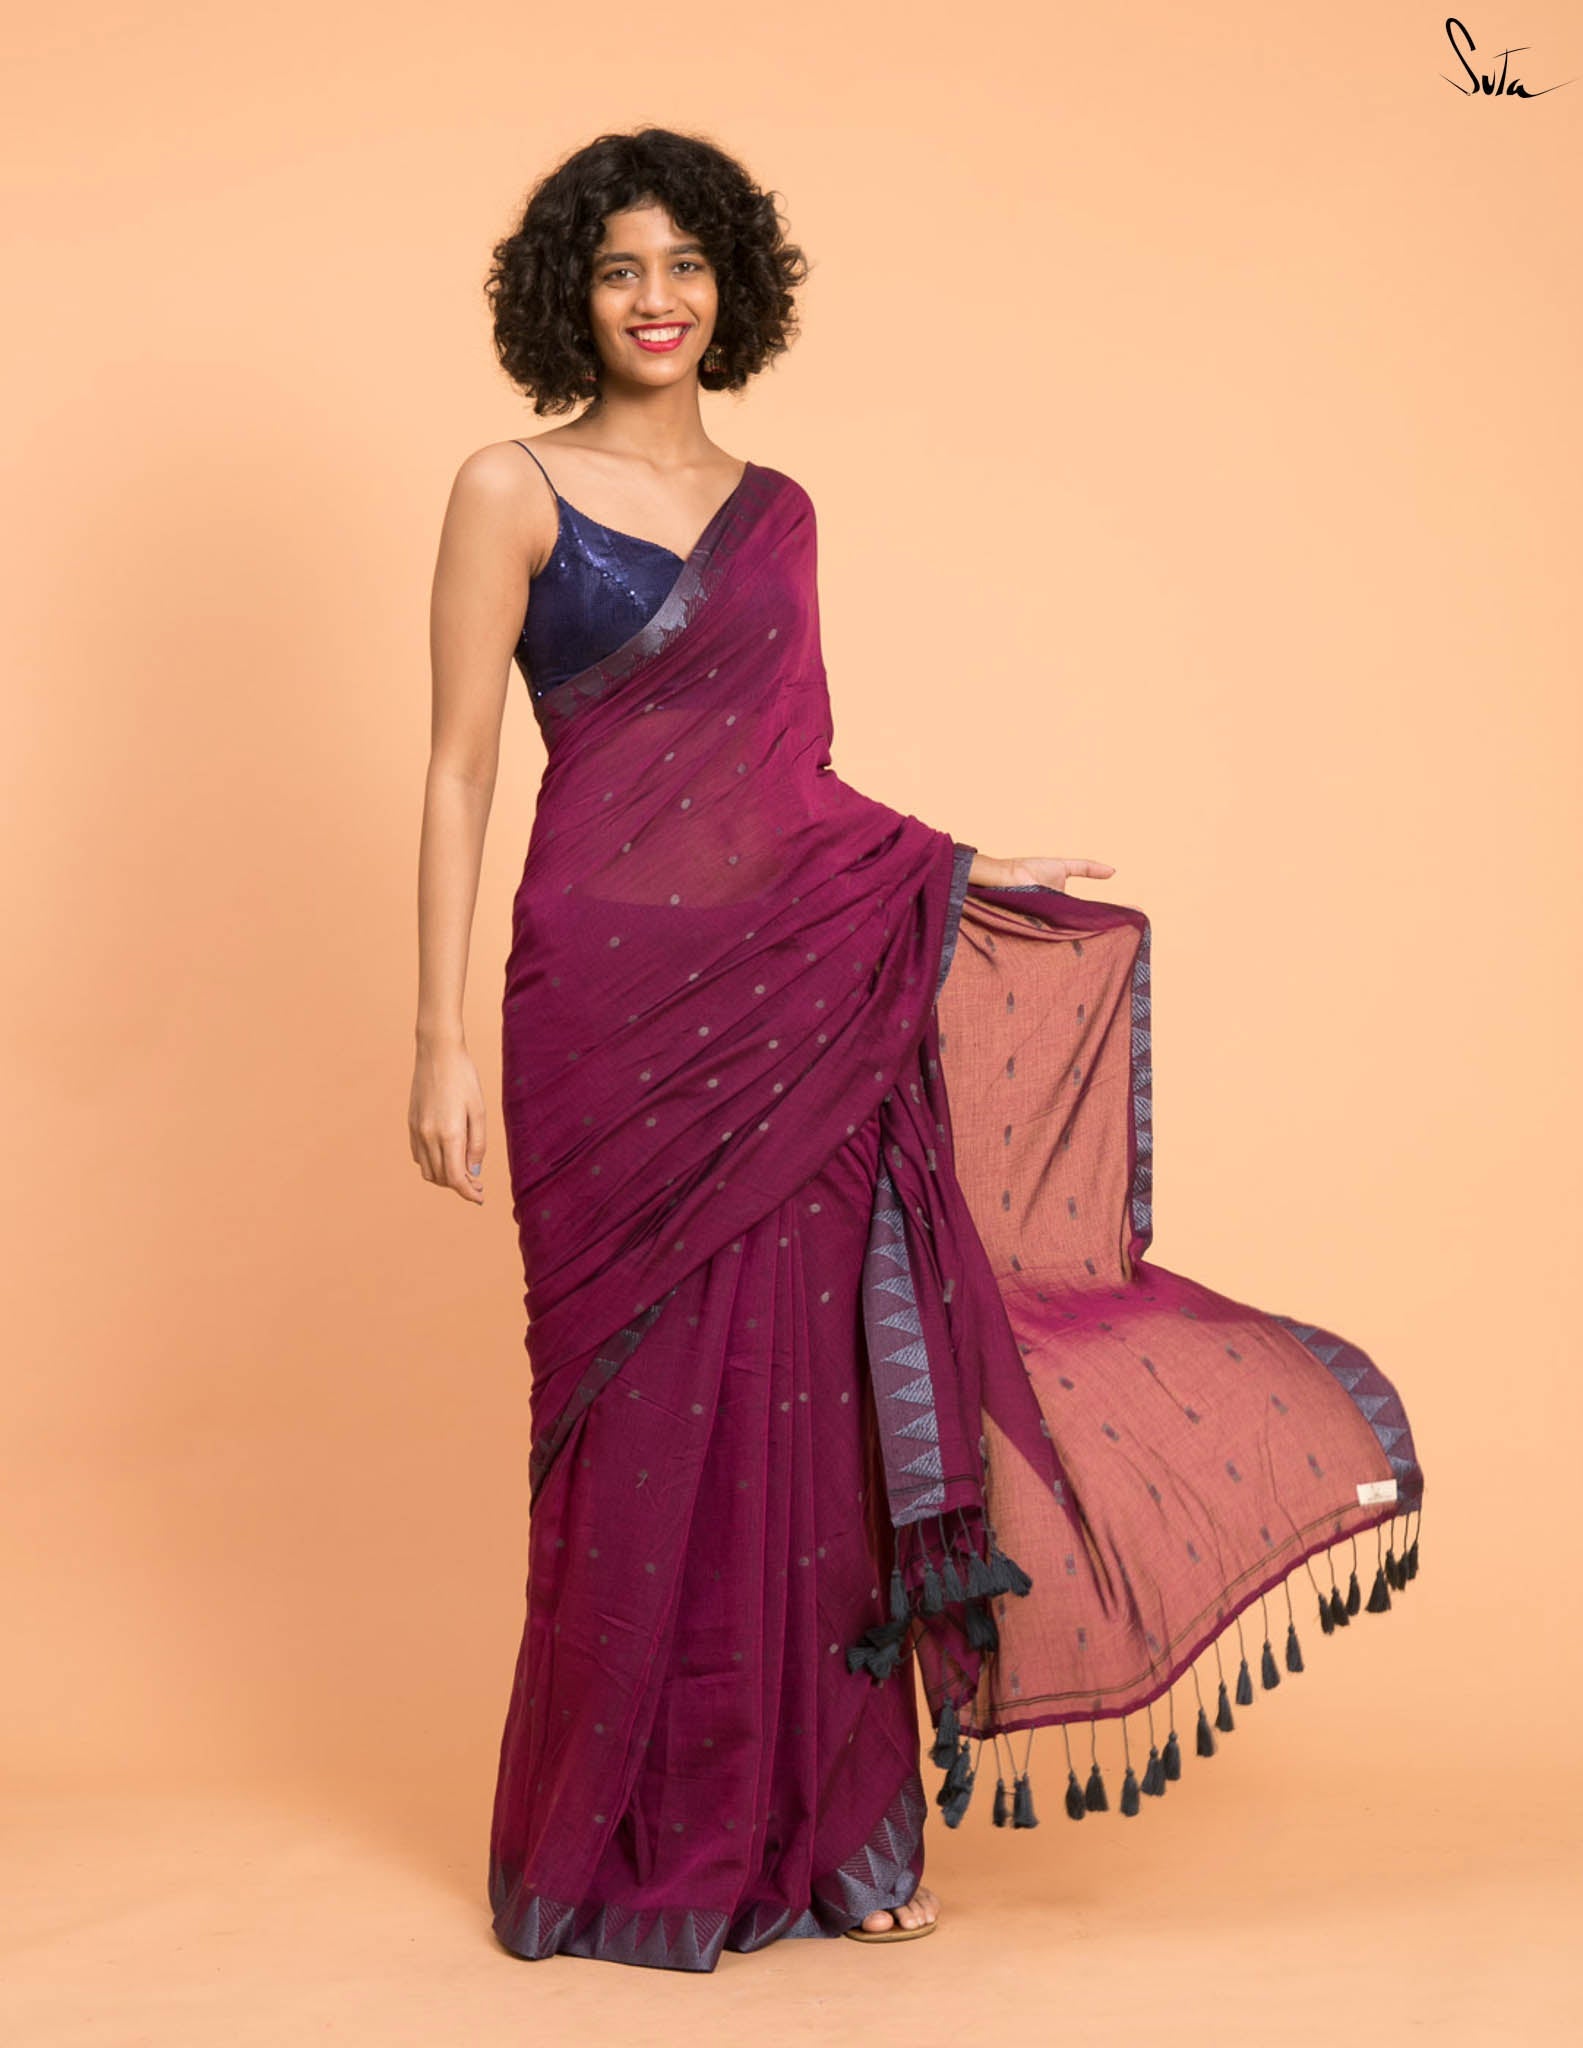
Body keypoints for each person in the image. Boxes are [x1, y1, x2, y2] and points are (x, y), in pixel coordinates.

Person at [409, 126, 1424, 1975]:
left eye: (687, 264)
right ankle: (623, 1848)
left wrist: (960, 866)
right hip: (600, 1021)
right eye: (622, 266)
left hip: (789, 1008)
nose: (657, 297)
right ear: (572, 291)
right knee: (634, 1431)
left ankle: (835, 1833)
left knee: (815, 1427)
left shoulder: (779, 511)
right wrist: (434, 1041)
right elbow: (463, 768)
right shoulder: (509, 485)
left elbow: (787, 783)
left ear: (733, 285)